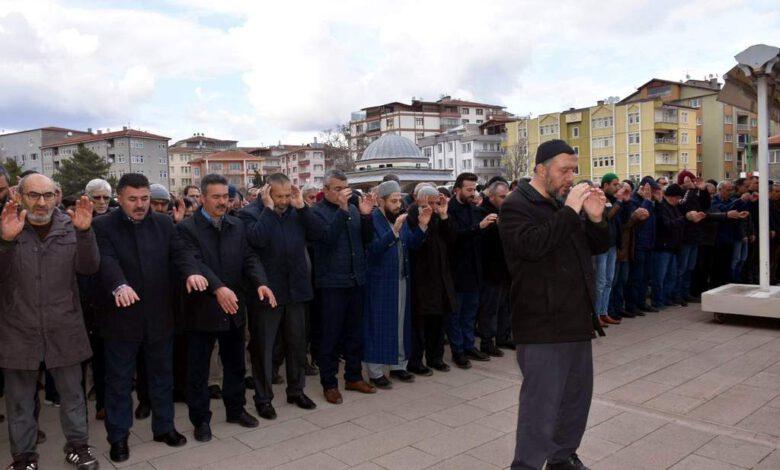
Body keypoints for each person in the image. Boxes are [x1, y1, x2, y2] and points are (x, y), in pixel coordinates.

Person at [499, 139, 609, 470]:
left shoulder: (562, 206)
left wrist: (596, 218)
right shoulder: (516, 205)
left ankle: (562, 458)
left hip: (576, 318)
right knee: (541, 406)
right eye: (564, 170)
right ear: (541, 169)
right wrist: (570, 211)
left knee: (576, 400)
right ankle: (527, 464)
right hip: (541, 323)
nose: (570, 177)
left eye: (574, 170)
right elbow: (533, 247)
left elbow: (598, 246)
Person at [0, 174, 100, 470]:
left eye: (47, 195)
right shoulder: (6, 225)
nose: (41, 202)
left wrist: (85, 233)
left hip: (64, 326)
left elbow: (89, 267)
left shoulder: (72, 225)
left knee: (72, 396)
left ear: (57, 196)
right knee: (19, 402)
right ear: (19, 195)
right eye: (33, 195)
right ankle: (24, 458)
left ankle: (78, 448)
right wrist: (4, 243)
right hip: (18, 328)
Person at [92, 173, 186, 463]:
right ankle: (119, 438)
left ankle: (164, 427)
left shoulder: (164, 223)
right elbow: (105, 259)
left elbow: (179, 255)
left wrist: (192, 271)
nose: (141, 204)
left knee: (162, 377)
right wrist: (119, 284)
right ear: (119, 198)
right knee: (119, 382)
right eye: (133, 199)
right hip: (120, 319)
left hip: (159, 317)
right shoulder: (102, 225)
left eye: (145, 198)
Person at [173, 174, 270, 440]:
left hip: (234, 309)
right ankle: (201, 420)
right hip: (201, 310)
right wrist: (217, 287)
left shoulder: (236, 225)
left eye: (225, 197)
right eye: (215, 197)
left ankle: (236, 409)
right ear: (202, 198)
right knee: (198, 370)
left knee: (236, 364)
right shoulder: (187, 229)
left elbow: (249, 258)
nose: (221, 202)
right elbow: (191, 262)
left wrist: (261, 282)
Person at [245, 173, 320, 419]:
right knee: (264, 349)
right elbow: (256, 241)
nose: (284, 201)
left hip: (297, 291)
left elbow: (318, 235)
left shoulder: (297, 212)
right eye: (279, 196)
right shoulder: (251, 213)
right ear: (267, 192)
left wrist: (303, 207)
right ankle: (263, 398)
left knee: (297, 345)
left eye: (288, 195)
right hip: (268, 293)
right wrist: (267, 210)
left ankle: (296, 391)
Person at [310, 169, 377, 404]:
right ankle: (329, 383)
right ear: (325, 190)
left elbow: (366, 240)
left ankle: (353, 376)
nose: (342, 193)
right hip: (331, 283)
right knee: (330, 336)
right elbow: (327, 239)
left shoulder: (354, 209)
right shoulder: (316, 213)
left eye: (344, 188)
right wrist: (342, 210)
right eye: (337, 189)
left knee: (354, 333)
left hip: (355, 279)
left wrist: (367, 216)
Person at [362, 180, 427, 389]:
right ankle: (376, 371)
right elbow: (372, 250)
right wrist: (394, 232)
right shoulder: (372, 219)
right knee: (379, 324)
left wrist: (423, 226)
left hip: (401, 279)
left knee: (401, 323)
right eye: (393, 201)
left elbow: (412, 245)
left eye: (399, 200)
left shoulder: (402, 218)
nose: (398, 204)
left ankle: (399, 365)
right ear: (381, 201)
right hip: (380, 282)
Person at [447, 172, 495, 368]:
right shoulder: (449, 210)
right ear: (457, 189)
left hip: (475, 271)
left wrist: (489, 226)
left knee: (470, 313)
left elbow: (480, 237)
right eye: (468, 189)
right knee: (456, 314)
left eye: (474, 189)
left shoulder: (474, 209)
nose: (472, 193)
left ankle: (468, 346)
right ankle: (458, 351)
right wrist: (479, 227)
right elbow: (454, 237)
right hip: (457, 271)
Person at [406, 186, 456, 375]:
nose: (434, 206)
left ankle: (436, 358)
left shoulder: (439, 215)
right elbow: (414, 244)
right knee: (420, 324)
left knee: (438, 321)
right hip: (422, 279)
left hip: (441, 277)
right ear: (420, 201)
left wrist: (444, 216)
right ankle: (416, 361)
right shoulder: (411, 216)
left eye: (437, 202)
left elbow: (452, 239)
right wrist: (423, 223)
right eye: (430, 202)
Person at [651, 183, 706, 309]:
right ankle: (658, 301)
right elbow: (667, 224)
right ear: (672, 197)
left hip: (673, 247)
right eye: (678, 198)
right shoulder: (662, 207)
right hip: (662, 247)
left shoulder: (674, 208)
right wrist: (685, 218)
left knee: (671, 275)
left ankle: (667, 298)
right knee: (660, 277)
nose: (679, 200)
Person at [477, 179, 513, 354]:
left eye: (507, 196)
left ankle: (503, 336)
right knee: (490, 307)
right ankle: (487, 341)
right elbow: (480, 240)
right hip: (490, 268)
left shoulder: (505, 212)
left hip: (506, 267)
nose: (505, 200)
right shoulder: (482, 212)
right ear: (491, 196)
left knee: (505, 304)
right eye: (501, 196)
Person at [593, 173, 631, 327]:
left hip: (612, 245)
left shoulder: (615, 200)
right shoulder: (598, 198)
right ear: (605, 185)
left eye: (618, 185)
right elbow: (607, 216)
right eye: (614, 185)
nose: (617, 188)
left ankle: (603, 312)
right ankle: (595, 315)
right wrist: (620, 201)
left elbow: (624, 220)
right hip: (601, 246)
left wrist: (626, 202)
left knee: (609, 281)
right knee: (600, 282)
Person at [627, 176, 660, 313]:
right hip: (639, 244)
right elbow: (641, 217)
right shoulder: (633, 200)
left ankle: (641, 302)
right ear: (643, 188)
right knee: (636, 277)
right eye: (650, 191)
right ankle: (632, 305)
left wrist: (659, 202)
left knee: (646, 276)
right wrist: (646, 201)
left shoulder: (650, 201)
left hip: (648, 244)